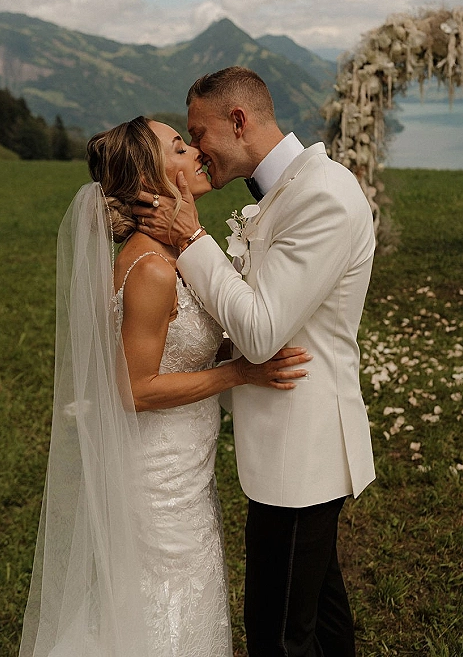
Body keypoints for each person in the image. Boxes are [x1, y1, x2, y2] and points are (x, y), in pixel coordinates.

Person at [19, 115, 311, 657]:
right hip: (157, 474)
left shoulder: (177, 256)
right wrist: (238, 374)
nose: (197, 151)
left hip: (185, 463)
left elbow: (189, 344)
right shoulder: (152, 268)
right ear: (151, 177)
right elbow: (133, 389)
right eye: (180, 146)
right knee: (165, 599)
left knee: (181, 594)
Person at [136, 68, 376, 657]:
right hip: (286, 447)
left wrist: (192, 240)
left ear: (238, 121)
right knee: (318, 620)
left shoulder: (323, 194)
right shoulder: (289, 190)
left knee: (277, 634)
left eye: (198, 133)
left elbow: (263, 331)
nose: (196, 150)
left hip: (303, 449)